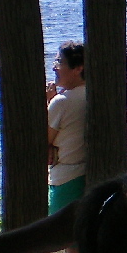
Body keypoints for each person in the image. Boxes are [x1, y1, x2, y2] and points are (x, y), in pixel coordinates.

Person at [45, 40, 86, 214]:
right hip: (84, 175)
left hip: (64, 179)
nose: (54, 67)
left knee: (58, 237)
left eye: (60, 62)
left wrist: (48, 101)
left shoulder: (61, 102)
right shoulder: (91, 93)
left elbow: (40, 143)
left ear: (78, 68)